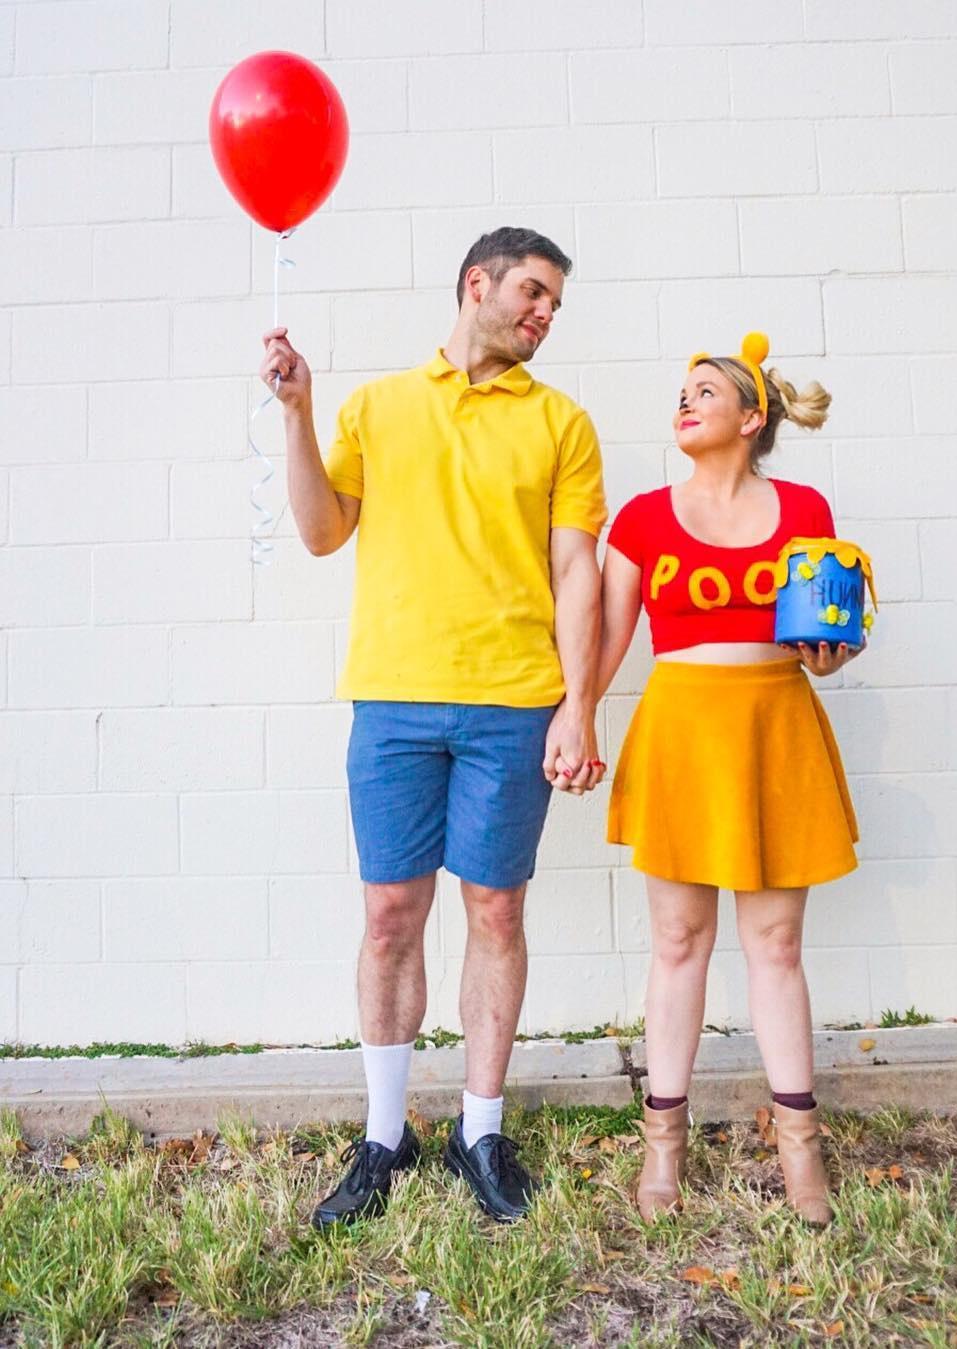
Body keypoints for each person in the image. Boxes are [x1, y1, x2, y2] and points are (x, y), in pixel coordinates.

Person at [258, 227, 607, 1227]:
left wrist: (578, 702)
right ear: (477, 284)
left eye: (554, 304)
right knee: (389, 917)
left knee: (496, 913)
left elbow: (578, 569)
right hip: (395, 701)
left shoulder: (563, 423)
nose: (543, 314)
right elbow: (324, 533)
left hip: (512, 702)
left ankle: (479, 1129)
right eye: (533, 293)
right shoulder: (378, 405)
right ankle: (382, 1135)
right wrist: (297, 412)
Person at [597, 334, 861, 1228]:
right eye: (680, 391)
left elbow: (822, 634)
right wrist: (571, 716)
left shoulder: (806, 505)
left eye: (704, 391)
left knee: (777, 944)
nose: (685, 400)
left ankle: (800, 1150)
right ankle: (662, 1148)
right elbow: (607, 644)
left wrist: (830, 654)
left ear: (752, 418)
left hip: (774, 722)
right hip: (681, 727)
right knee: (677, 942)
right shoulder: (637, 517)